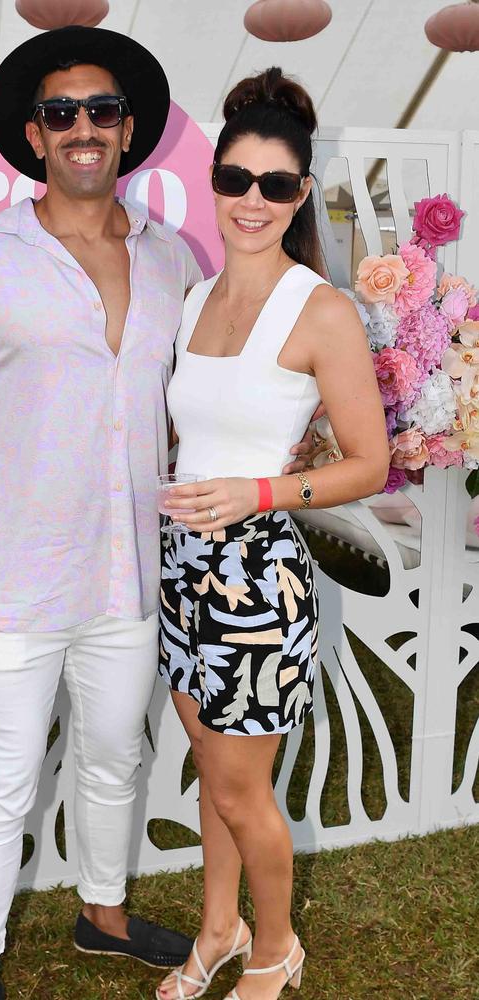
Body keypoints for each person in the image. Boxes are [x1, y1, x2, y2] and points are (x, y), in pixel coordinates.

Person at [0, 28, 313, 1000]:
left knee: (114, 757)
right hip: (6, 580)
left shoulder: (174, 258)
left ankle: (101, 914)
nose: (82, 128)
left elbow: (218, 387)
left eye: (100, 111)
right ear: (32, 134)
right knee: (1, 785)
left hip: (135, 576)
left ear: (127, 130)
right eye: (61, 113)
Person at [155, 68, 389, 1000]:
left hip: (255, 579)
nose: (252, 201)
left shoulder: (320, 310)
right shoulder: (194, 299)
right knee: (212, 773)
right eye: (236, 179)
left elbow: (368, 464)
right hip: (183, 570)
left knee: (245, 791)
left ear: (298, 197)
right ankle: (220, 927)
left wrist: (261, 491)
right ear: (214, 181)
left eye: (277, 185)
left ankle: (275, 949)